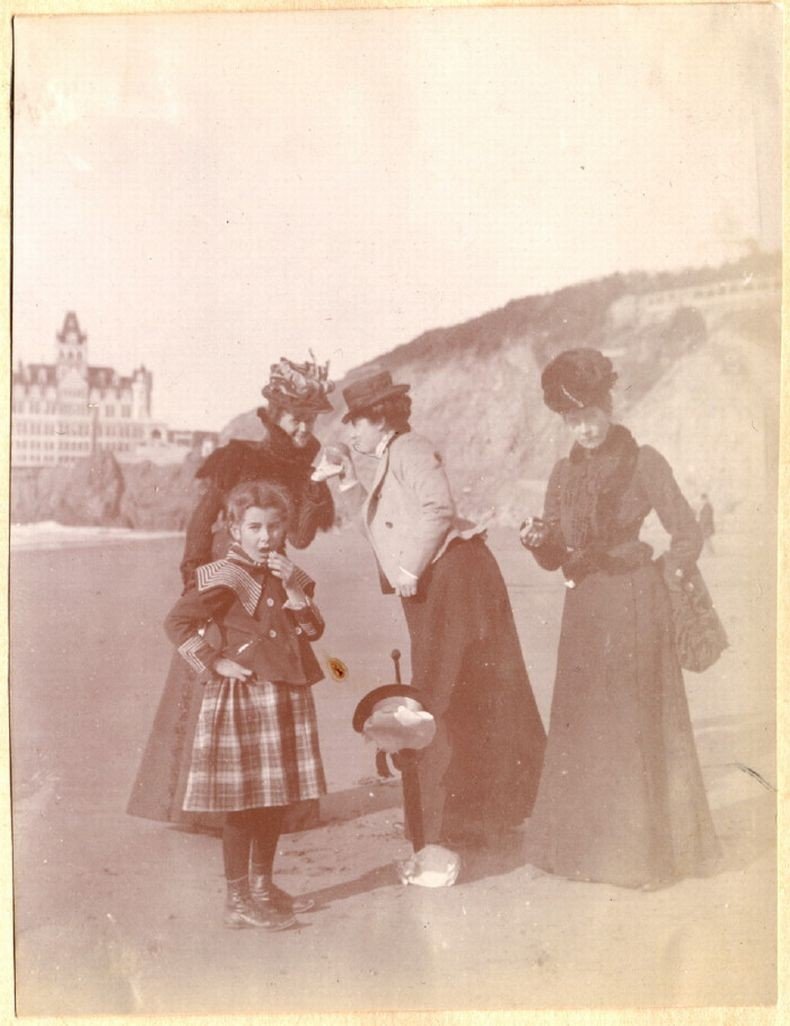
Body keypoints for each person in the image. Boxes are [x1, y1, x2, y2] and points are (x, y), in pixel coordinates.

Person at [520, 348, 720, 889]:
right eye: (571, 419)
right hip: (585, 607)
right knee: (585, 727)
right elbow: (558, 553)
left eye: (590, 414)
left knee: (633, 727)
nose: (583, 428)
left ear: (608, 405)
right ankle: (586, 853)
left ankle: (640, 859)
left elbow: (687, 531)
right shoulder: (563, 473)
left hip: (635, 604)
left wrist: (667, 575)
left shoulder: (643, 460)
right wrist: (538, 542)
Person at [335, 369, 546, 856]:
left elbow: (438, 509)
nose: (350, 433)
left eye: (355, 423)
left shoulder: (409, 449)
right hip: (440, 582)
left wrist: (410, 567)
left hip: (456, 579)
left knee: (449, 691)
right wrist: (347, 485)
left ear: (380, 421)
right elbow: (384, 535)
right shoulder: (393, 455)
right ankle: (470, 815)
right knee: (461, 691)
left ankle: (465, 817)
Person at [127, 356, 335, 845]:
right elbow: (202, 522)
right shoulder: (238, 456)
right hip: (224, 570)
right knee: (219, 675)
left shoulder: (312, 461)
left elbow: (301, 536)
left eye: (310, 419)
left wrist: (319, 483)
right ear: (273, 414)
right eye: (294, 417)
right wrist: (192, 577)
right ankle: (209, 808)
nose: (303, 428)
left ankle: (276, 801)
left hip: (269, 573)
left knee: (272, 680)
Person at [163, 480, 327, 928]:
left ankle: (261, 886)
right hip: (244, 695)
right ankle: (236, 899)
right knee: (243, 802)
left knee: (274, 797)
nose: (265, 536)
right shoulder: (227, 575)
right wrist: (213, 662)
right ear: (234, 529)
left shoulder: (287, 571)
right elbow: (177, 622)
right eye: (254, 527)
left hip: (285, 693)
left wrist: (295, 593)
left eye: (274, 527)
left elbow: (313, 632)